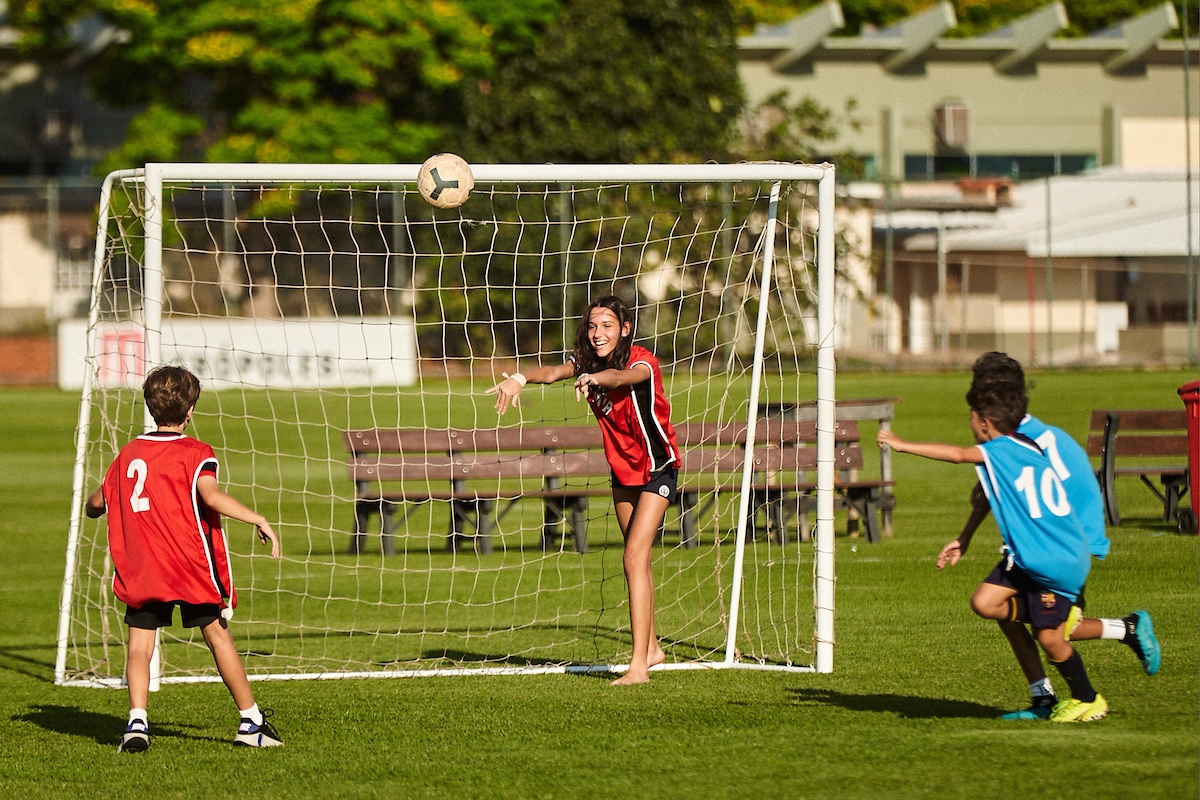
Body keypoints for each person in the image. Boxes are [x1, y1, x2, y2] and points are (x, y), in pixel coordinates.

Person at [943, 353, 1160, 720]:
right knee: (1012, 615)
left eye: (981, 389)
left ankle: (1122, 637)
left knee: (1054, 631)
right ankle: (1043, 698)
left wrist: (1068, 545)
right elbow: (990, 493)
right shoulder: (1012, 435)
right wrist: (965, 536)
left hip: (1066, 546)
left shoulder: (1029, 439)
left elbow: (1067, 494)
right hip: (1043, 546)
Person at [879, 379, 1109, 722]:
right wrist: (965, 537)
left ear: (984, 421)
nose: (969, 423)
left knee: (1050, 637)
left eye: (971, 417)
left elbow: (958, 455)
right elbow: (998, 495)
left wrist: (901, 445)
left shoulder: (999, 450)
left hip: (1053, 561)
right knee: (984, 602)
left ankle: (1088, 699)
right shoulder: (1027, 447)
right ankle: (1052, 684)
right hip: (1043, 554)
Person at [85, 365, 284, 752]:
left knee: (140, 647)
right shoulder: (196, 454)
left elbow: (98, 501)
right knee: (218, 638)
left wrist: (96, 508)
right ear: (190, 409)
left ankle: (137, 724)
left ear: (150, 407)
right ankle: (250, 722)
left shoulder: (129, 454)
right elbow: (210, 496)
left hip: (144, 569)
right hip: (188, 566)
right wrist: (256, 516)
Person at [488, 294, 680, 685]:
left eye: (607, 326)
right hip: (623, 472)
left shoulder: (643, 361)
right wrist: (520, 378)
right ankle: (654, 647)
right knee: (637, 561)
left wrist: (595, 379)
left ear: (625, 329)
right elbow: (555, 372)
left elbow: (622, 378)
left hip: (658, 468)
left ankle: (638, 668)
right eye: (593, 326)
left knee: (631, 557)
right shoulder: (585, 361)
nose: (598, 333)